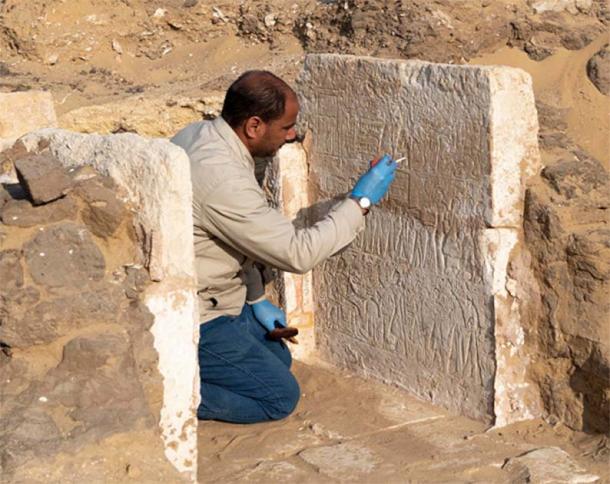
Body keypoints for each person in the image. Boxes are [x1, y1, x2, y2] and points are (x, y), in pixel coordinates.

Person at [171, 70, 397, 424]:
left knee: (279, 360)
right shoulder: (220, 178)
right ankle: (166, 395)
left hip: (222, 294)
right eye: (286, 127)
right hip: (199, 315)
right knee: (279, 397)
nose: (292, 136)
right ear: (254, 126)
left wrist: (257, 298)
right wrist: (361, 201)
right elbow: (297, 253)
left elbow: (237, 237)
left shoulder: (203, 134)